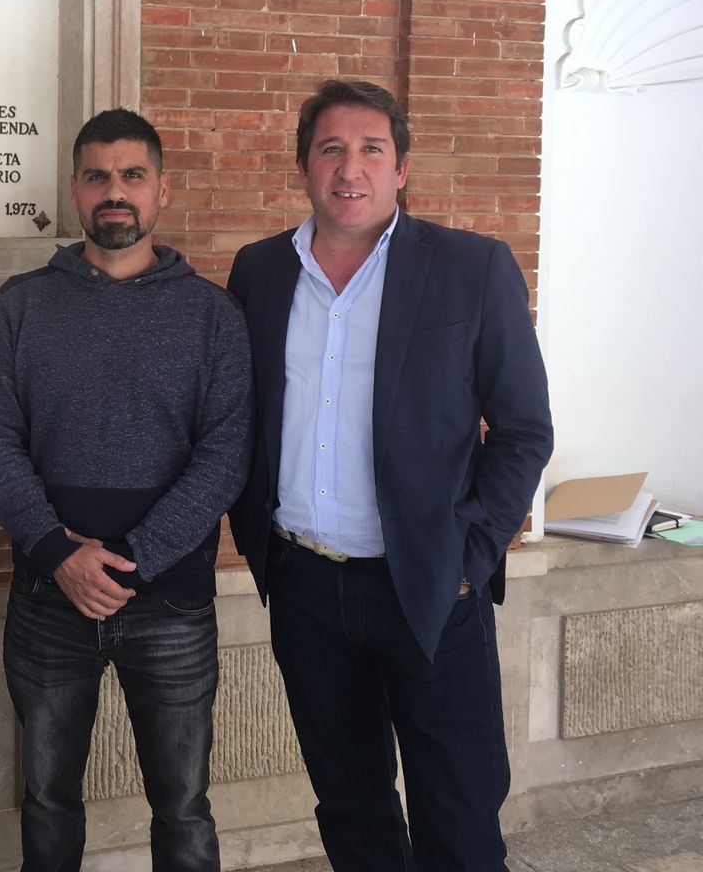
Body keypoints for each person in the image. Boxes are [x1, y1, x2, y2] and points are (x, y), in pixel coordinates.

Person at [226, 79, 554, 872]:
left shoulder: (472, 268)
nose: (350, 168)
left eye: (372, 149)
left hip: (431, 588)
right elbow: (242, 418)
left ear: (402, 168)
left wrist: (468, 556)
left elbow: (523, 430)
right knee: (351, 808)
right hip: (305, 588)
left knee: (460, 814)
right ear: (303, 165)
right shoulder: (260, 272)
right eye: (331, 148)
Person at [0, 108, 253, 872]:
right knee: (47, 803)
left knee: (184, 806)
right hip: (47, 600)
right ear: (74, 191)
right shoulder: (24, 305)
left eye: (133, 176)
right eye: (98, 176)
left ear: (162, 190)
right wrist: (59, 552)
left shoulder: (213, 316)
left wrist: (133, 559)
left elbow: (226, 454)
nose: (115, 193)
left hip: (171, 605)